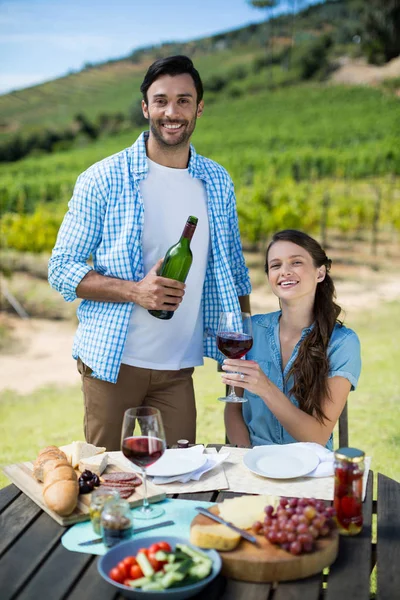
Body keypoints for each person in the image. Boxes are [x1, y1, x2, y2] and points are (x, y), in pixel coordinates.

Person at [48, 55, 251, 450]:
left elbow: (235, 270)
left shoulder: (216, 181)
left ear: (199, 108)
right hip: (113, 363)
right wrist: (136, 291)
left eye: (183, 100)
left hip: (178, 367)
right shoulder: (103, 178)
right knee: (109, 484)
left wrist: (244, 341)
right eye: (160, 101)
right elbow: (60, 268)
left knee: (178, 482)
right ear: (145, 107)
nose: (171, 112)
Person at [222, 229, 361, 450]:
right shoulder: (250, 330)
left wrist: (266, 388)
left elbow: (316, 436)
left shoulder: (343, 343)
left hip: (310, 467)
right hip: (252, 460)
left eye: (296, 262)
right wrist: (247, 459)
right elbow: (233, 409)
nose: (284, 271)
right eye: (275, 265)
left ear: (320, 273)